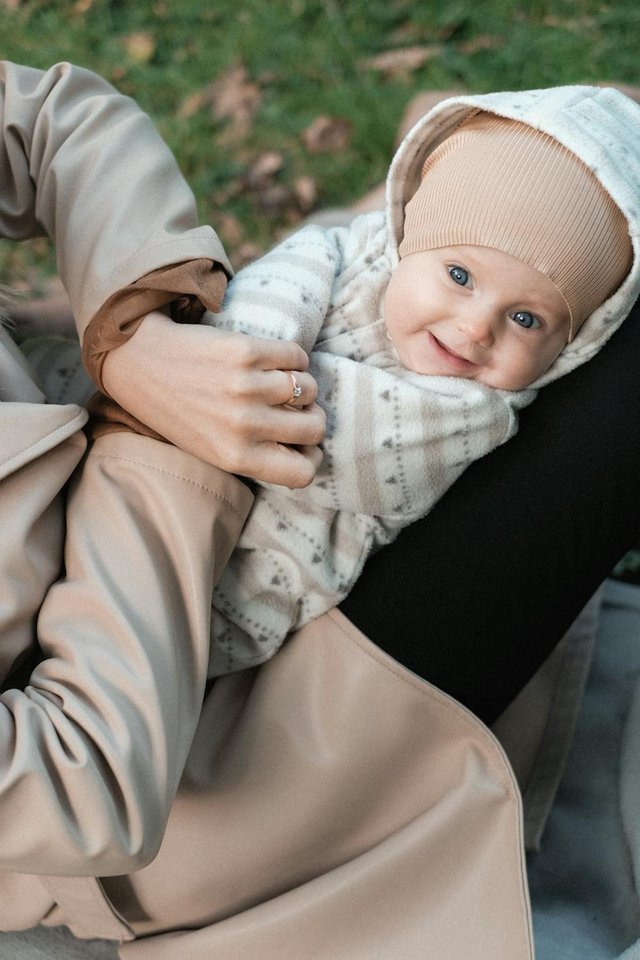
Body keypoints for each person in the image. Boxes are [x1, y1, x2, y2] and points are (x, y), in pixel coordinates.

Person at [1, 59, 639, 960]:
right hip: (201, 739)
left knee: (592, 172)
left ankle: (469, 173)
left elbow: (46, 119)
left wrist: (133, 334)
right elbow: (81, 780)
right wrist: (159, 428)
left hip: (147, 468)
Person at [203, 85, 639, 676]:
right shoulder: (363, 253)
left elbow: (325, 447)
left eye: (525, 318)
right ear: (412, 237)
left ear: (570, 347)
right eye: (460, 275)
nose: (476, 327)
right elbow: (285, 276)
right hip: (199, 438)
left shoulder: (470, 413)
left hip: (252, 568)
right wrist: (243, 344)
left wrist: (246, 385)